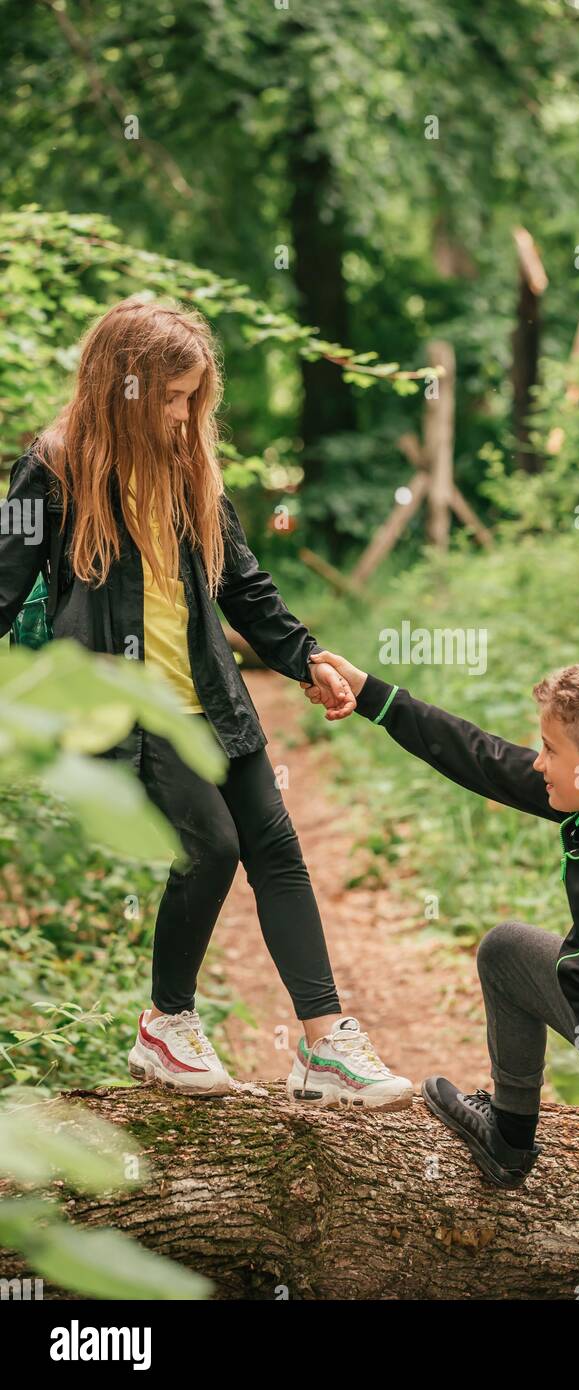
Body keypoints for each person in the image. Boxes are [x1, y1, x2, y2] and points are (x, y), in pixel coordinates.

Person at [0, 295, 412, 1111]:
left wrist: (307, 660)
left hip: (211, 698)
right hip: (129, 711)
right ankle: (166, 1023)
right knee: (212, 846)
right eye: (172, 396)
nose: (186, 414)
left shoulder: (189, 468)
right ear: (122, 387)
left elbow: (242, 582)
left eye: (194, 397)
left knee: (278, 850)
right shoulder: (48, 470)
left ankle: (327, 1043)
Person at [302, 650, 579, 1299]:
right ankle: (509, 1140)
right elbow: (481, 757)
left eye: (547, 748)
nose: (536, 761)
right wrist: (373, 695)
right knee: (506, 951)